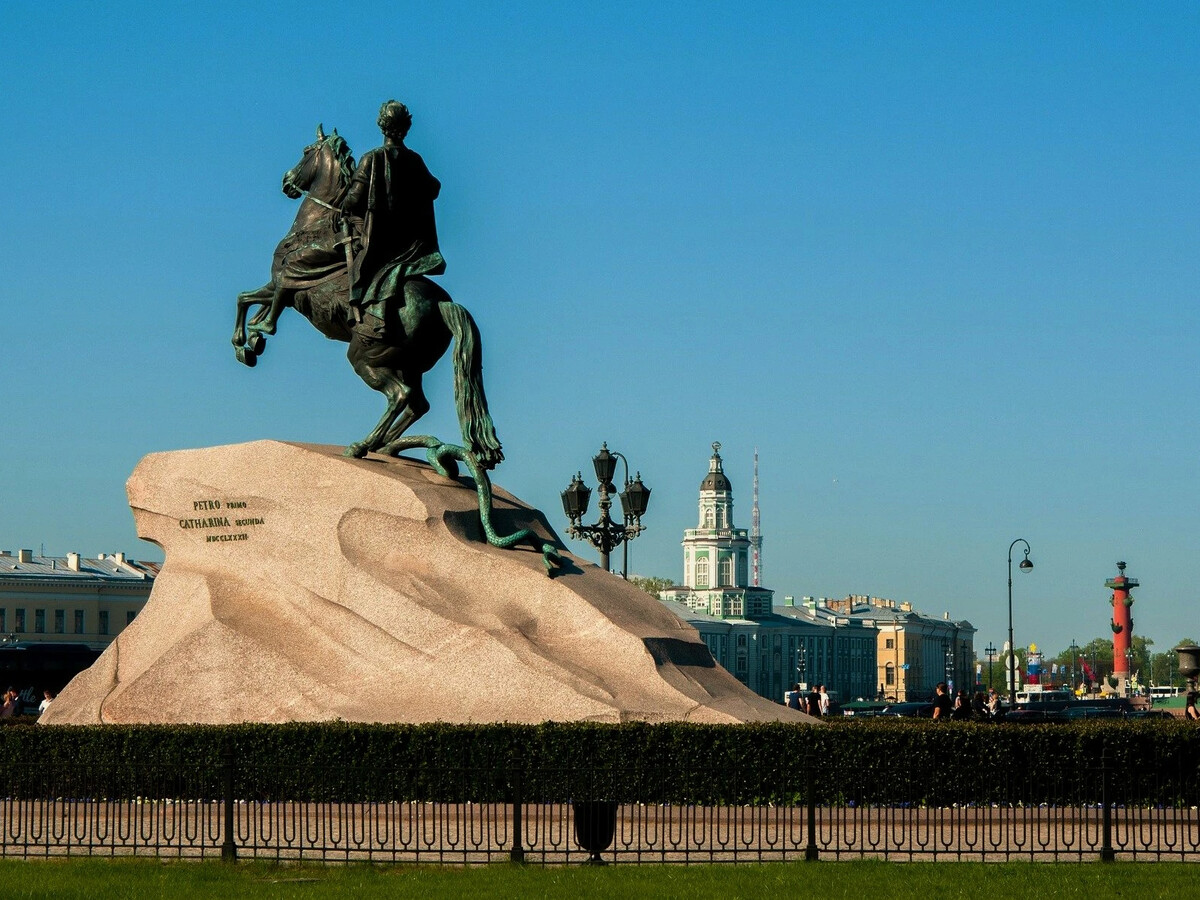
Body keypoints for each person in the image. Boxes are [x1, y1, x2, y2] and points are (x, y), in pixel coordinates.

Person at [340, 99, 446, 338]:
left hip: (382, 242)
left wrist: (344, 204)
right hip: (412, 245)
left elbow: (354, 200)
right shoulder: (415, 160)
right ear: (406, 127)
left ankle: (367, 311)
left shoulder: (371, 158)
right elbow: (434, 187)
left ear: (381, 125)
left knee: (358, 269)